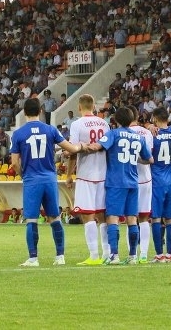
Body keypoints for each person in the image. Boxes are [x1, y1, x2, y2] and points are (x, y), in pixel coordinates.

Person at [11, 98, 85, 267]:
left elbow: (14, 163)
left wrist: (24, 175)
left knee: (31, 219)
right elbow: (71, 148)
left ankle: (33, 258)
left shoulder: (18, 133)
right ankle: (60, 256)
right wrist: (82, 146)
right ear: (40, 111)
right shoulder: (50, 130)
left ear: (24, 112)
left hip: (32, 180)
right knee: (55, 218)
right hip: (49, 179)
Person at [91, 107, 152, 265]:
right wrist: (135, 158)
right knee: (132, 219)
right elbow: (149, 159)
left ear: (116, 120)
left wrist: (79, 147)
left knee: (113, 218)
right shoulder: (139, 137)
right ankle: (133, 256)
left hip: (116, 182)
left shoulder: (113, 134)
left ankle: (114, 255)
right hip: (133, 182)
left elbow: (97, 147)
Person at [65, 94, 110, 265]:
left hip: (86, 174)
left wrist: (69, 175)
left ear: (79, 107)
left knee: (87, 214)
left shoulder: (77, 124)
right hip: (103, 173)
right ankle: (107, 254)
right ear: (93, 107)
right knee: (103, 215)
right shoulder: (104, 123)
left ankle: (94, 256)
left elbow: (72, 151)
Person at [149, 107, 171, 263]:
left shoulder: (153, 136)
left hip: (157, 180)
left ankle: (159, 254)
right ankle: (170, 254)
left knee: (156, 218)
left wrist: (149, 128)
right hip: (170, 179)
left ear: (155, 118)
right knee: (169, 219)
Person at [126, 105, 155, 264]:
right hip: (145, 178)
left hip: (128, 179)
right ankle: (143, 254)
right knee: (144, 218)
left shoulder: (122, 132)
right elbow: (148, 155)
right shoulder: (146, 133)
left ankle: (132, 254)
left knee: (130, 218)